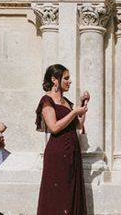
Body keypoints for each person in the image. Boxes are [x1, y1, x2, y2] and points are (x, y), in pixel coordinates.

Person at [36, 64, 88, 215]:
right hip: (57, 152)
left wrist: (83, 106)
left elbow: (78, 125)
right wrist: (74, 113)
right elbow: (54, 127)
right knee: (58, 194)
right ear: (54, 79)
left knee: (70, 192)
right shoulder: (47, 100)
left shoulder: (67, 102)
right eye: (66, 78)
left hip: (72, 150)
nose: (69, 81)